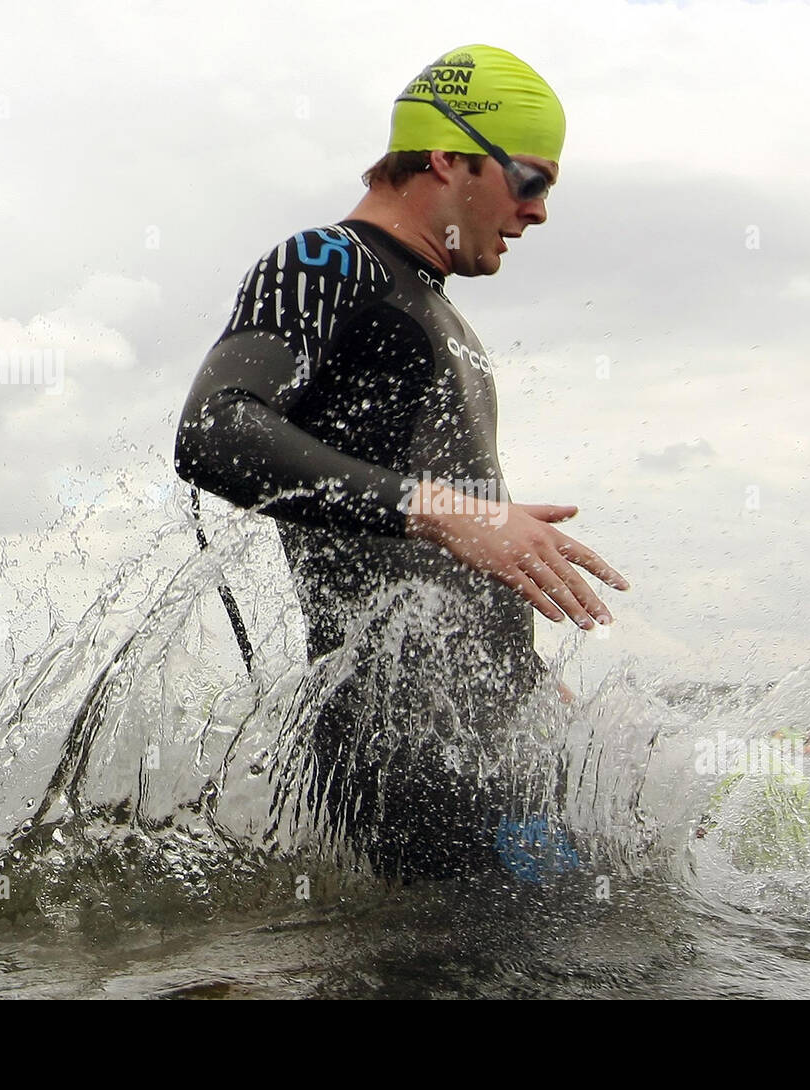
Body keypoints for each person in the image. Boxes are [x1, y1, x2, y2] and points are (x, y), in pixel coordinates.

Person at [175, 44, 628, 880]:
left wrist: (534, 695)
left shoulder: (436, 311)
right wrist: (448, 511)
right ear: (450, 156)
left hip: (488, 755)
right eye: (531, 179)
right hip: (404, 761)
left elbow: (440, 574)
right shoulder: (327, 262)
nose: (539, 212)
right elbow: (214, 432)